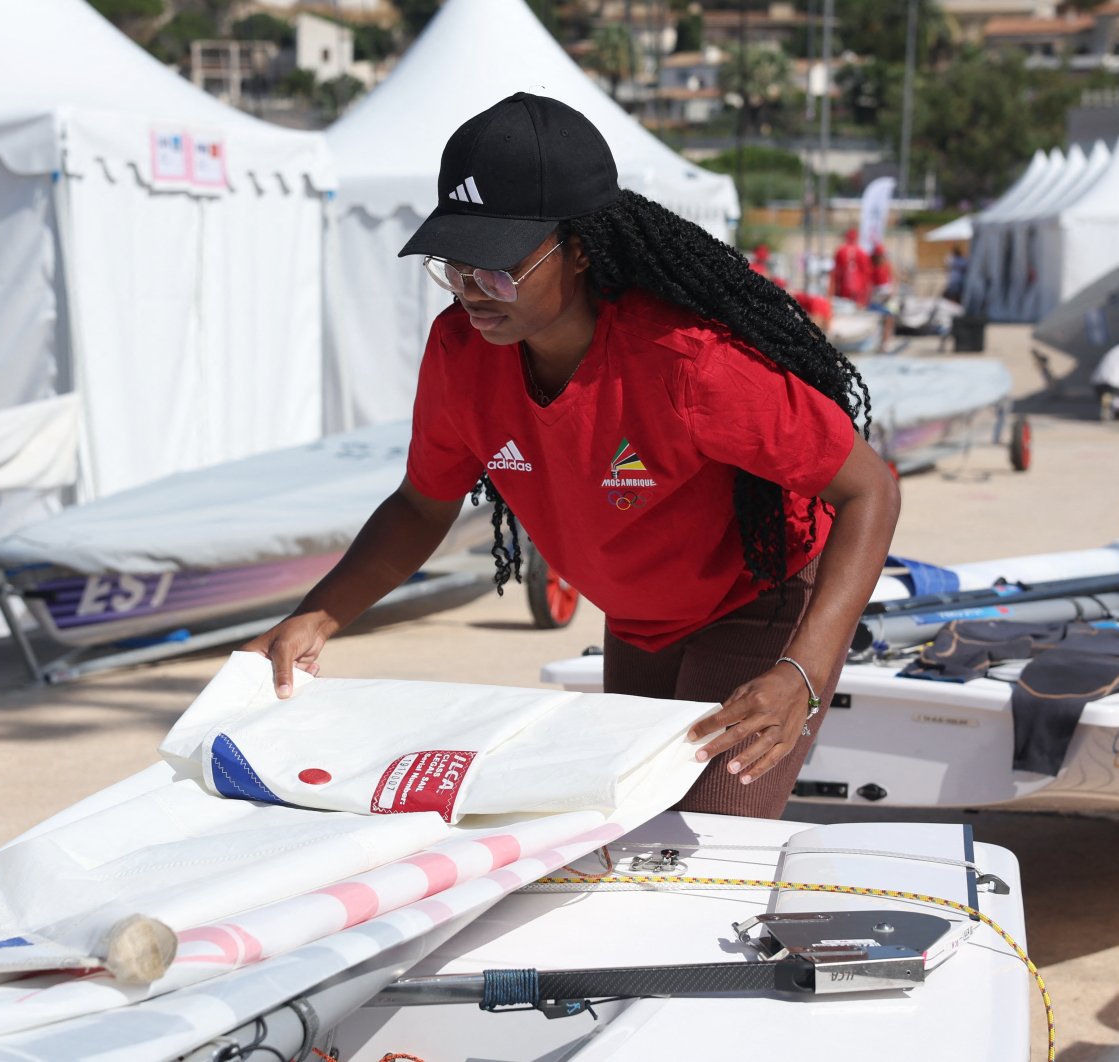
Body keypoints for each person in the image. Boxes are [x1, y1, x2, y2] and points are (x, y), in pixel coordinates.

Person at [245, 94, 900, 819]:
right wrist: (320, 616)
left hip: (758, 602)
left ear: (580, 248)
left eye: (497, 269)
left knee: (703, 845)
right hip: (639, 621)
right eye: (454, 266)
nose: (470, 293)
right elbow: (421, 503)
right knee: (623, 827)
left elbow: (870, 490)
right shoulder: (460, 355)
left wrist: (801, 672)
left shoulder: (688, 364)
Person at [830, 228, 871, 307]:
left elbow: (835, 273)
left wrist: (832, 292)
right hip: (859, 288)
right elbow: (867, 275)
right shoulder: (862, 252)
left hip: (844, 288)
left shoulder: (840, 250)